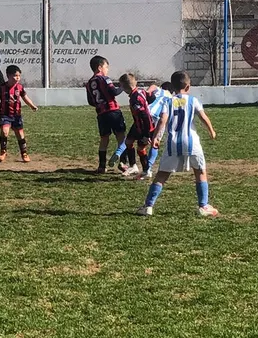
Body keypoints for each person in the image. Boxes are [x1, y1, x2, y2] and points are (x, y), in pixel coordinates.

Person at [136, 71, 218, 218]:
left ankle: (148, 206)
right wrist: (211, 130)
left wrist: (156, 137)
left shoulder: (168, 101)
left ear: (172, 87)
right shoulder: (193, 100)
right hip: (192, 143)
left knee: (162, 175)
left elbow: (162, 120)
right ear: (188, 86)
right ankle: (203, 206)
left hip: (173, 143)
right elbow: (203, 117)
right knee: (200, 172)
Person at [106, 73, 154, 178]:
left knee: (141, 149)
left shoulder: (135, 98)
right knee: (128, 142)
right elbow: (152, 97)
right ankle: (133, 166)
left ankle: (147, 171)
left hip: (144, 127)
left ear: (124, 87)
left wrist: (147, 134)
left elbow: (144, 116)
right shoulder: (140, 90)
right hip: (137, 125)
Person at [85, 55, 127, 174]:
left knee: (104, 139)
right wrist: (122, 86)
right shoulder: (104, 79)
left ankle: (102, 166)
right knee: (121, 136)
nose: (107, 69)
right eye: (106, 67)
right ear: (99, 68)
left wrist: (100, 105)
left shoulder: (89, 83)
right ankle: (122, 163)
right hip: (113, 111)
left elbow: (90, 101)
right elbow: (113, 91)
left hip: (101, 114)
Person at [0, 65, 38, 162]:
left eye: (19, 76)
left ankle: (24, 153)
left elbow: (25, 97)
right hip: (5, 115)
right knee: (5, 131)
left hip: (16, 115)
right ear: (8, 76)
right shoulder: (1, 87)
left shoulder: (20, 87)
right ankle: (3, 151)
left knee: (20, 134)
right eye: (15, 75)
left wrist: (32, 105)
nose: (18, 78)